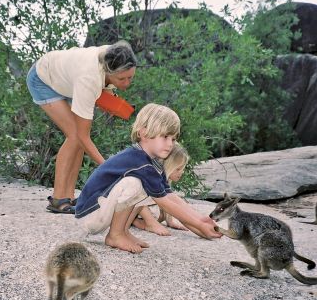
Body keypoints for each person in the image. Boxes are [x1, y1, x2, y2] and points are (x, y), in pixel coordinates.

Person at [75, 103, 222, 254]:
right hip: (90, 214)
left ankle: (123, 232)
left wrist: (202, 220)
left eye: (173, 138)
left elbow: (170, 196)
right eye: (165, 137)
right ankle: (115, 235)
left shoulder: (151, 163)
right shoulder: (139, 162)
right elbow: (164, 203)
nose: (170, 144)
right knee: (134, 184)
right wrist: (198, 223)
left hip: (99, 211)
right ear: (144, 133)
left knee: (145, 188)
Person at [27, 41, 137, 214]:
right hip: (43, 80)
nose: (127, 83)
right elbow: (83, 136)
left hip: (67, 81)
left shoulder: (113, 54)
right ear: (108, 71)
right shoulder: (89, 79)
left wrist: (116, 103)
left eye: (130, 77)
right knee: (74, 135)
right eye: (121, 79)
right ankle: (58, 199)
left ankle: (68, 197)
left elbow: (106, 88)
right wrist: (111, 170)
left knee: (77, 139)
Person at [133, 142, 190, 236]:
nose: (182, 172)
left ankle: (137, 220)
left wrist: (170, 220)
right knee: (141, 192)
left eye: (183, 168)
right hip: (120, 205)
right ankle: (148, 222)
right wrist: (150, 221)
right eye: (178, 169)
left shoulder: (163, 179)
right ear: (167, 166)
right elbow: (138, 198)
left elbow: (166, 197)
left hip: (130, 210)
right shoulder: (150, 174)